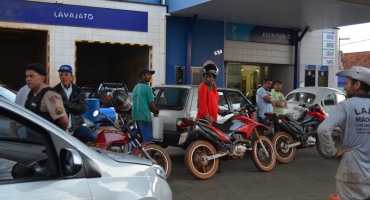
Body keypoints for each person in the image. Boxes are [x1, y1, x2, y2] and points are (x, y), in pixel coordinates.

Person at [317, 66, 370, 200]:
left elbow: (323, 129)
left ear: (357, 84)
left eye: (346, 83)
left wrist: (332, 152)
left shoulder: (346, 105)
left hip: (352, 172)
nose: (344, 88)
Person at [53, 65, 97, 143]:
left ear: (71, 77)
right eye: (61, 74)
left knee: (93, 135)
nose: (63, 77)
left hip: (76, 126)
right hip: (60, 126)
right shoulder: (54, 91)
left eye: (66, 75)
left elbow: (83, 108)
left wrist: (64, 103)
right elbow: (54, 109)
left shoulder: (79, 91)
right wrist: (74, 107)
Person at [24, 63, 68, 132]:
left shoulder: (49, 95)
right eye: (27, 76)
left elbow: (63, 121)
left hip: (46, 139)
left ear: (42, 78)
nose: (28, 79)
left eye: (31, 76)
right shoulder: (31, 94)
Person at [131, 68, 159, 145]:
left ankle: (134, 156)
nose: (150, 76)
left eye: (150, 75)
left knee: (136, 140)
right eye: (148, 74)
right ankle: (147, 157)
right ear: (142, 75)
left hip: (135, 117)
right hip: (144, 117)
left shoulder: (135, 87)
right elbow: (151, 103)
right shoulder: (147, 88)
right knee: (147, 140)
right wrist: (155, 113)